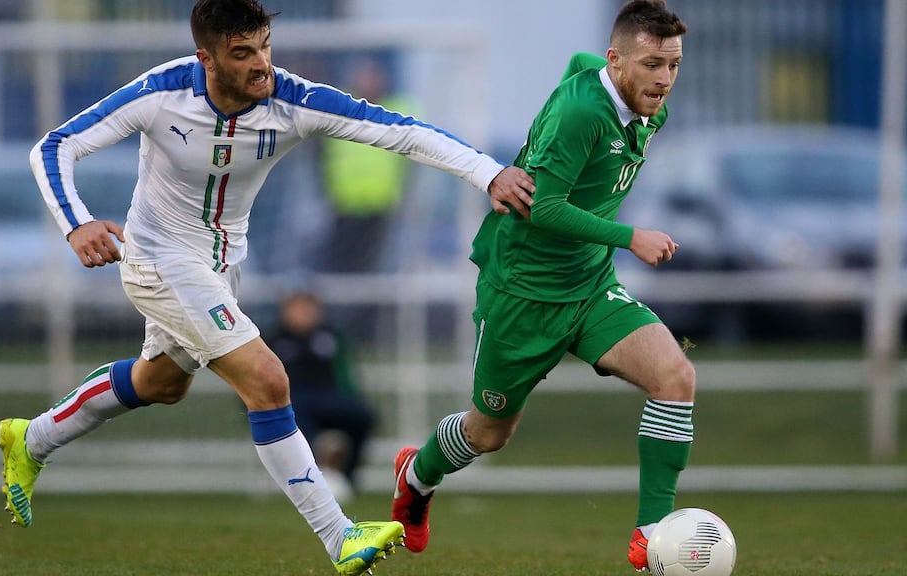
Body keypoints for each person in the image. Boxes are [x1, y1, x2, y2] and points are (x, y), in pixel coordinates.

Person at [0, 1, 535, 575]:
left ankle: (32, 439)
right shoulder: (160, 93)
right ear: (206, 58)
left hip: (222, 267)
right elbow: (53, 146)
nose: (262, 65)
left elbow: (398, 132)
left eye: (265, 47)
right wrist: (77, 223)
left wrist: (487, 171)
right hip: (156, 260)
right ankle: (340, 536)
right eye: (242, 54)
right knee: (269, 379)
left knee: (161, 383)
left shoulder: (293, 100)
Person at [389, 1, 690, 572]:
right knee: (488, 434)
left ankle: (651, 534)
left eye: (673, 65)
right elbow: (542, 208)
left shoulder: (644, 105)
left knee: (675, 377)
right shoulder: (582, 115)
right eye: (652, 64)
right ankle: (417, 474)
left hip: (589, 285)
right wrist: (631, 236)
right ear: (617, 60)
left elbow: (579, 62)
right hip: (522, 293)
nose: (664, 79)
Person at [265, 290, 376, 499]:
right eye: (297, 308)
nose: (303, 313)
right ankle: (308, 477)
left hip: (330, 397)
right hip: (292, 400)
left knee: (363, 416)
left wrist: (353, 397)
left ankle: (345, 477)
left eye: (308, 307)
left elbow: (347, 375)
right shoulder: (272, 341)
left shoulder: (332, 337)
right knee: (296, 420)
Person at [321, 55, 415, 273]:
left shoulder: (397, 111)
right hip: (344, 206)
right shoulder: (337, 111)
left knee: (375, 266)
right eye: (364, 75)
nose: (369, 81)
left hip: (382, 207)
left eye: (373, 76)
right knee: (342, 264)